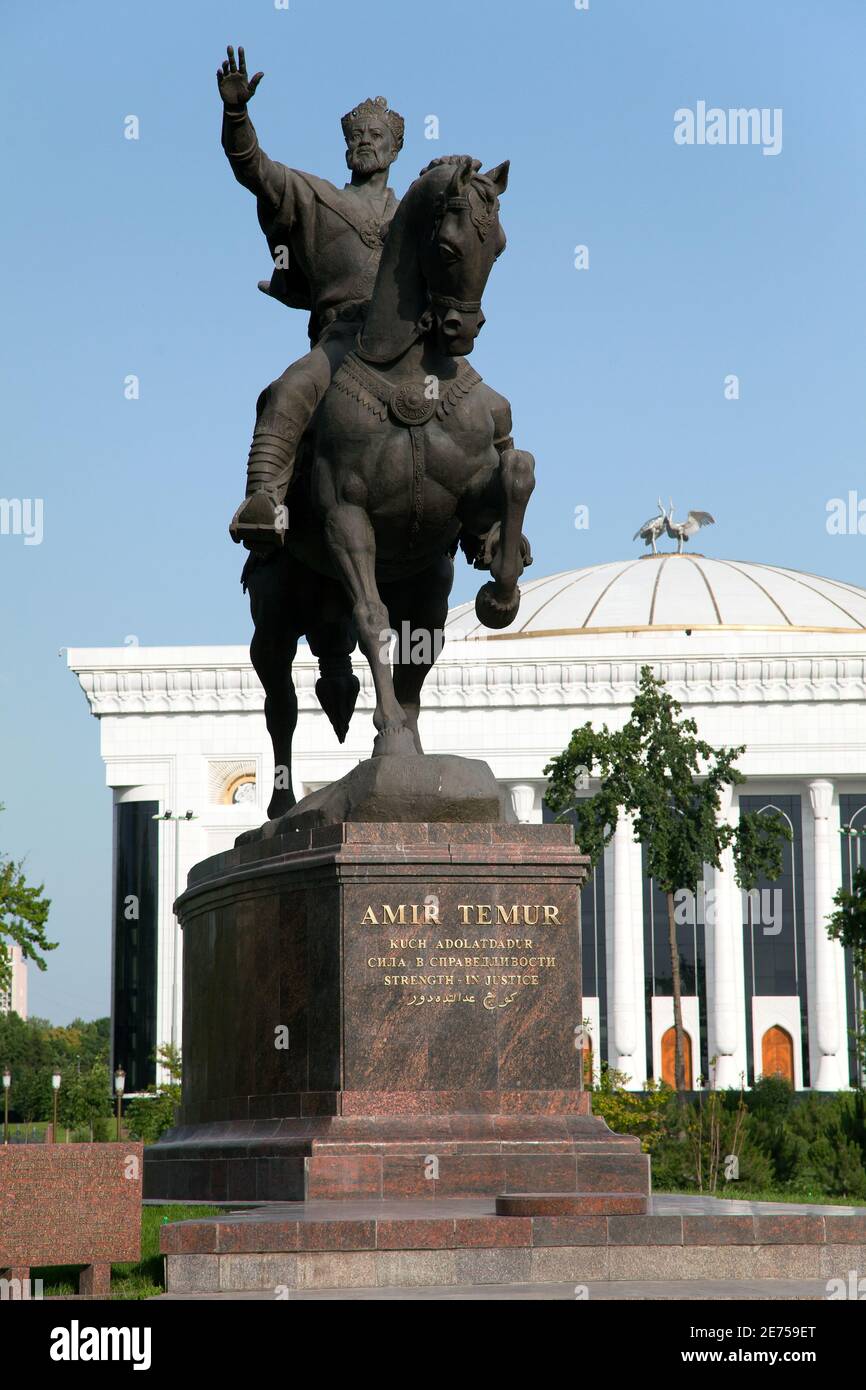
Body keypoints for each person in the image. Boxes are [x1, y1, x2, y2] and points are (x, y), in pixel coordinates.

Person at [217, 45, 404, 548]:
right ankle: (263, 499)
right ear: (346, 148)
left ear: (394, 148)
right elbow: (254, 168)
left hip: (409, 343)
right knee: (287, 391)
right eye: (357, 136)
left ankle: (489, 530)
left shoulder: (411, 215)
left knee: (488, 410)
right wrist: (237, 114)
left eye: (376, 135)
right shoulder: (317, 196)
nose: (365, 142)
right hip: (343, 339)